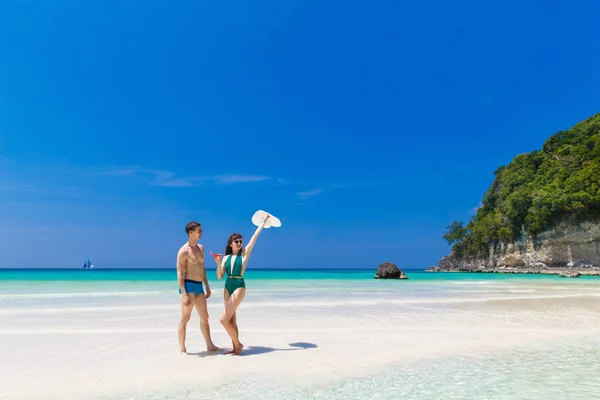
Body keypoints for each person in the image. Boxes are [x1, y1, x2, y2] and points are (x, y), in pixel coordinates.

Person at [214, 213, 270, 355]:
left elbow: (254, 238)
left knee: (223, 319)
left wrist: (263, 223)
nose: (239, 243)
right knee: (231, 319)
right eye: (236, 241)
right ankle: (235, 348)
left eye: (240, 241)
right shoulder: (226, 258)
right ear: (230, 244)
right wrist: (218, 263)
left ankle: (238, 344)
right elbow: (220, 277)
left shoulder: (244, 254)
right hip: (227, 285)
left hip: (239, 284)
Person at [176, 221, 220, 355]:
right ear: (191, 233)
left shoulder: (201, 248)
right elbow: (179, 273)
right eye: (199, 231)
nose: (201, 233)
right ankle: (183, 349)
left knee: (205, 317)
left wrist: (207, 286)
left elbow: (202, 268)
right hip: (188, 285)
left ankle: (210, 345)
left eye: (201, 231)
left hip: (199, 286)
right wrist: (183, 294)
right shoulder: (184, 251)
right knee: (185, 318)